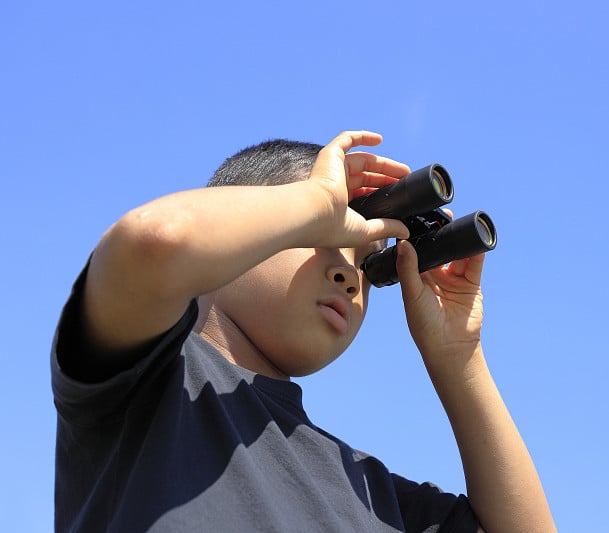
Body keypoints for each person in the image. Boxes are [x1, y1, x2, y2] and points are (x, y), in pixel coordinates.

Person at [51, 130, 557, 532]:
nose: (348, 276)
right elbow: (155, 244)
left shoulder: (370, 493)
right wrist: (317, 200)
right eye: (324, 236)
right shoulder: (149, 377)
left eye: (366, 264)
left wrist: (459, 356)